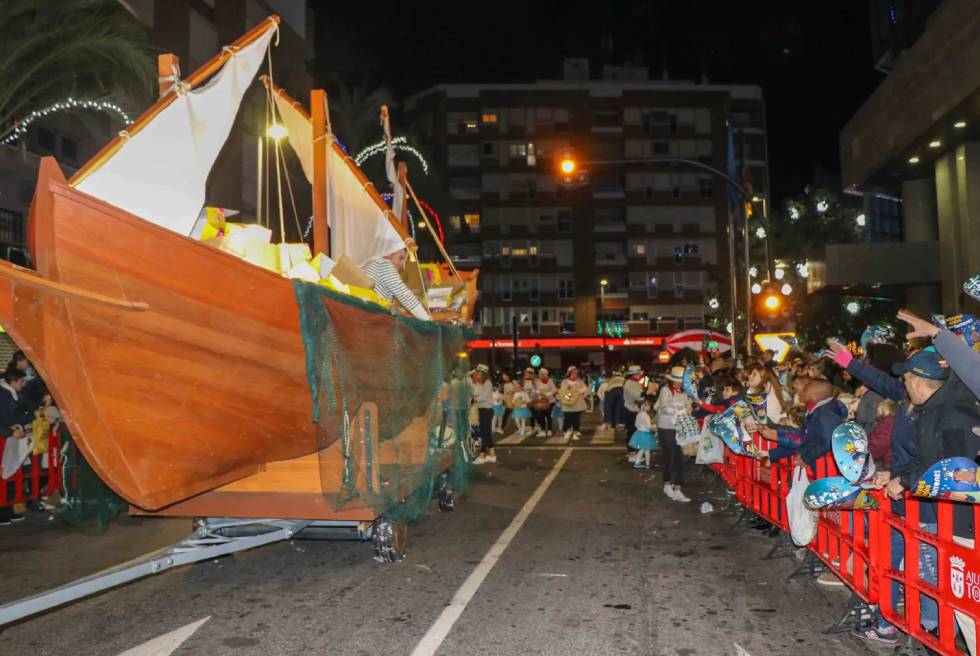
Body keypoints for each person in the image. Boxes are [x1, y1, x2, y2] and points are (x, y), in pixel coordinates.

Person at [655, 366, 694, 503]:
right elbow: (664, 407)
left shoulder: (684, 392)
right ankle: (669, 485)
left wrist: (687, 410)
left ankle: (676, 486)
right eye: (677, 381)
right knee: (671, 457)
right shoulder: (665, 390)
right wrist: (679, 411)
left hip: (680, 428)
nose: (679, 383)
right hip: (666, 428)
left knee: (678, 458)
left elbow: (689, 406)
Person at [363, 247, 431, 321]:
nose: (403, 264)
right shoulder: (384, 264)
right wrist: (428, 321)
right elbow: (405, 296)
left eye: (405, 261)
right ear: (389, 253)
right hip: (369, 319)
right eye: (401, 258)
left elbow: (388, 302)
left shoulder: (374, 262)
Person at [470, 364, 496, 464]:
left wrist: (473, 399)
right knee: (487, 433)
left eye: (478, 373)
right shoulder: (479, 383)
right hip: (481, 410)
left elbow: (482, 398)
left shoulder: (487, 383)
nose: (476, 374)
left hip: (486, 410)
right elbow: (473, 392)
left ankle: (482, 455)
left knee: (485, 433)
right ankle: (492, 455)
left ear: (483, 374)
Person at [559, 366, 588, 442]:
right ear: (570, 373)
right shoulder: (565, 382)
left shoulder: (580, 381)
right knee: (567, 417)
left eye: (576, 373)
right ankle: (567, 431)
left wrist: (577, 390)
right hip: (568, 402)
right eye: (573, 372)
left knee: (576, 418)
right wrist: (569, 390)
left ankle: (576, 431)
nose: (575, 374)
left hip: (578, 403)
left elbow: (585, 388)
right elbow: (563, 391)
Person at [868, 399, 897, 470]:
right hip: (892, 463)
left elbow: (875, 446)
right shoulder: (894, 421)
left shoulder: (887, 424)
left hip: (888, 466)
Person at [628, 400, 658, 469]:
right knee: (645, 449)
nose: (650, 407)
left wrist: (641, 427)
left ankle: (644, 463)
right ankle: (643, 464)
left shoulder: (639, 414)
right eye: (648, 406)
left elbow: (636, 424)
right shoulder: (646, 416)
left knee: (643, 449)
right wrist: (654, 427)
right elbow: (649, 426)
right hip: (646, 434)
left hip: (639, 433)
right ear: (644, 407)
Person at [623, 365, 645, 445]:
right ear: (633, 374)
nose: (640, 375)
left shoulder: (635, 383)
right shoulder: (630, 383)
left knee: (635, 431)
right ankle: (631, 453)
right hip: (631, 410)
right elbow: (637, 396)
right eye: (638, 374)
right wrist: (646, 393)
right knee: (632, 431)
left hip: (635, 410)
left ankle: (633, 451)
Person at [533, 368, 557, 437]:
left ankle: (549, 430)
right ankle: (543, 430)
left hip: (550, 401)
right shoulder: (537, 381)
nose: (540, 375)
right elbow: (536, 389)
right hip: (541, 400)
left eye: (541, 374)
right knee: (541, 416)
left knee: (548, 415)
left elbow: (554, 390)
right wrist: (540, 393)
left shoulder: (550, 381)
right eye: (539, 374)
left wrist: (547, 394)